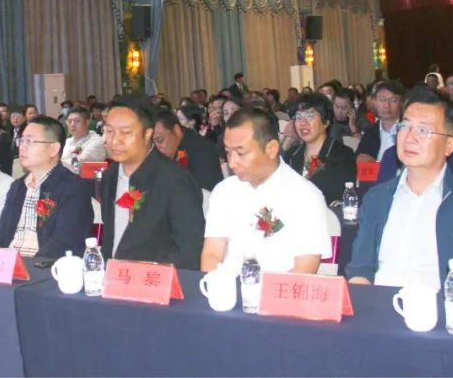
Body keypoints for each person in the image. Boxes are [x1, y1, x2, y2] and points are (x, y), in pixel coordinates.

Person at [347, 87, 453, 290]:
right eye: (405, 126)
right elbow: (360, 270)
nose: (409, 138)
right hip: (378, 305)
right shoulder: (376, 198)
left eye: (423, 130)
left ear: (449, 145)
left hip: (439, 307)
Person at [201, 107, 330, 274]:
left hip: (279, 287)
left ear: (271, 149)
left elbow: (305, 270)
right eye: (228, 152)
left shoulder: (305, 196)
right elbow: (211, 255)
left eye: (241, 153)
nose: (232, 163)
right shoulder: (224, 191)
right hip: (229, 285)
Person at [100, 94, 205, 269]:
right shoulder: (110, 176)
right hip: (113, 277)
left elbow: (189, 251)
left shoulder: (174, 179)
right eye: (109, 131)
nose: (114, 141)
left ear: (148, 133)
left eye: (126, 133)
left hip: (155, 279)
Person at [0, 116, 93, 257]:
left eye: (30, 141)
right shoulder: (17, 187)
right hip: (9, 264)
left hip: (45, 266)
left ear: (53, 149)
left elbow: (63, 243)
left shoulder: (74, 188)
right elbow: (0, 238)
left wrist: (26, 266)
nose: (22, 147)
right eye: (21, 140)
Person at [282, 94, 356, 205]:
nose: (303, 122)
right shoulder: (290, 155)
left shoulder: (342, 155)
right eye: (298, 117)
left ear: (326, 122)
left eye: (310, 116)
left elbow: (339, 200)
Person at [151, 110, 222, 192]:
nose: (156, 148)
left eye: (159, 140)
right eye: (152, 143)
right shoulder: (166, 153)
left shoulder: (202, 150)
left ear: (176, 130)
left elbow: (207, 192)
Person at [357, 81, 405, 162]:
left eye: (393, 100)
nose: (387, 105)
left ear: (402, 103)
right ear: (375, 102)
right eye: (382, 100)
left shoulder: (408, 130)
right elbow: (360, 157)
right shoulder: (370, 131)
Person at [60, 107, 106, 172]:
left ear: (87, 122)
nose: (72, 124)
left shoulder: (97, 141)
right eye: (69, 121)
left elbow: (78, 165)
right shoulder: (67, 141)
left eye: (77, 121)